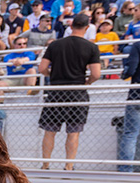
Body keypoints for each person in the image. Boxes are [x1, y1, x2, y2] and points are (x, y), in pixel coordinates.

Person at [38, 13, 101, 170]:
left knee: (49, 131)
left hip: (56, 91)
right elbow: (96, 74)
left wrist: (51, 75)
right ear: (87, 28)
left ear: (71, 26)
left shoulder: (55, 45)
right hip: (77, 91)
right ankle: (69, 166)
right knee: (73, 133)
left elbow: (42, 68)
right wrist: (87, 82)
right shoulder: (91, 47)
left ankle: (45, 165)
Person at [118, 40, 140, 172]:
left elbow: (131, 67)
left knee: (130, 134)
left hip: (137, 94)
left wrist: (124, 75)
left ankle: (125, 170)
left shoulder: (137, 45)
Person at [0, 37, 38, 102]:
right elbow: (8, 61)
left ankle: (30, 90)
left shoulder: (30, 53)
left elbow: (29, 58)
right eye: (19, 44)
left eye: (24, 44)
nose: (22, 46)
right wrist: (16, 61)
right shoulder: (9, 55)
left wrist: (21, 61)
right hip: (12, 79)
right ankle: (0, 106)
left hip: (25, 78)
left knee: (32, 70)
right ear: (14, 45)